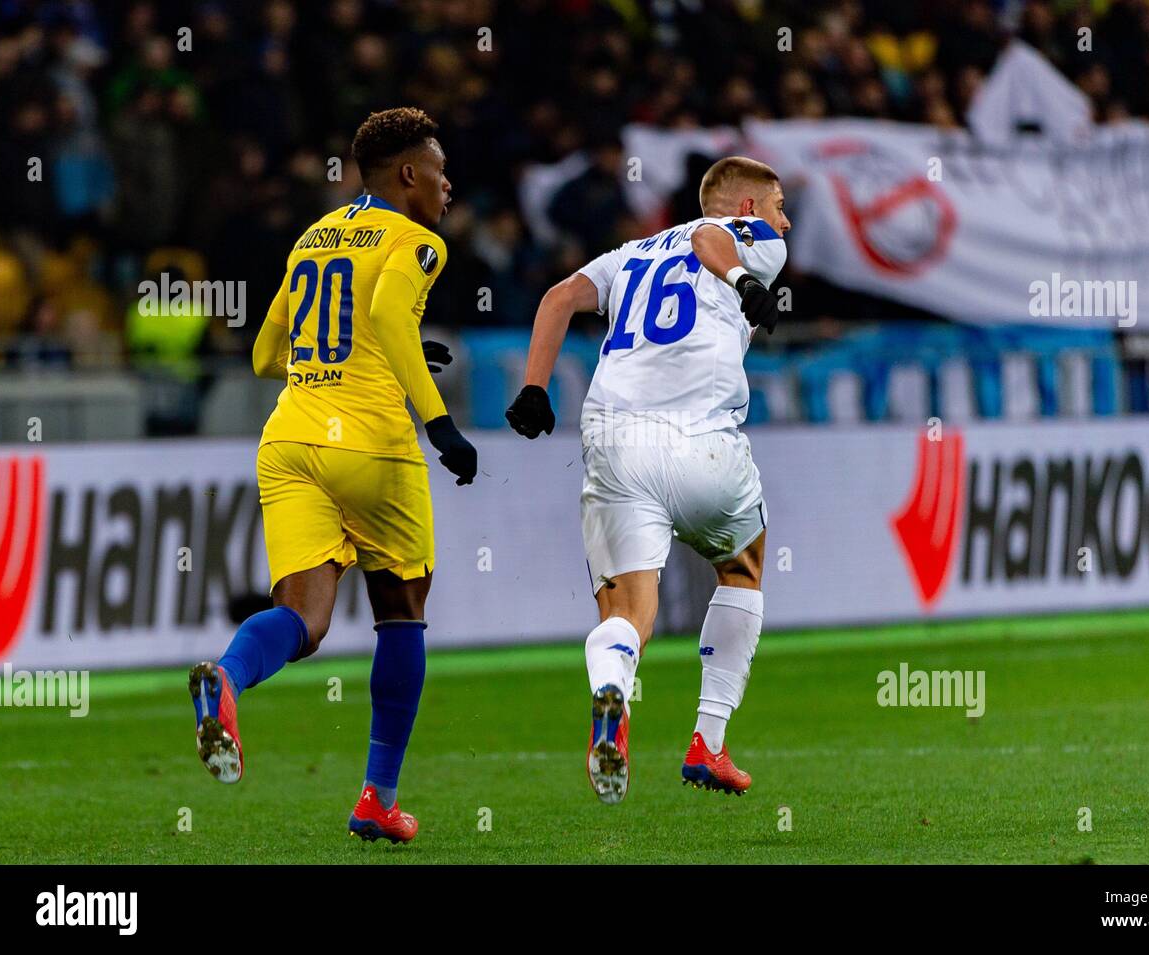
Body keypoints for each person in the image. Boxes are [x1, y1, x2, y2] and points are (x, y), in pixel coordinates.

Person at [188, 107, 477, 844]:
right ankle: (378, 796)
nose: (448, 185)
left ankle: (225, 677)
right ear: (409, 175)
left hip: (288, 437)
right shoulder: (418, 240)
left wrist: (353, 358)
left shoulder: (315, 234)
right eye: (440, 171)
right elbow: (383, 313)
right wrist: (439, 422)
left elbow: (264, 355)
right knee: (401, 610)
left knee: (306, 619)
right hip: (371, 445)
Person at [505, 156, 789, 803]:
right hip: (702, 443)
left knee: (629, 610)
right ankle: (707, 742)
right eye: (776, 205)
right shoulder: (747, 239)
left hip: (615, 440)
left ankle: (612, 689)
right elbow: (705, 238)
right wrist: (745, 280)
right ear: (747, 209)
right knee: (743, 567)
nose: (785, 218)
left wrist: (533, 388)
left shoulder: (628, 253)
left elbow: (558, 297)